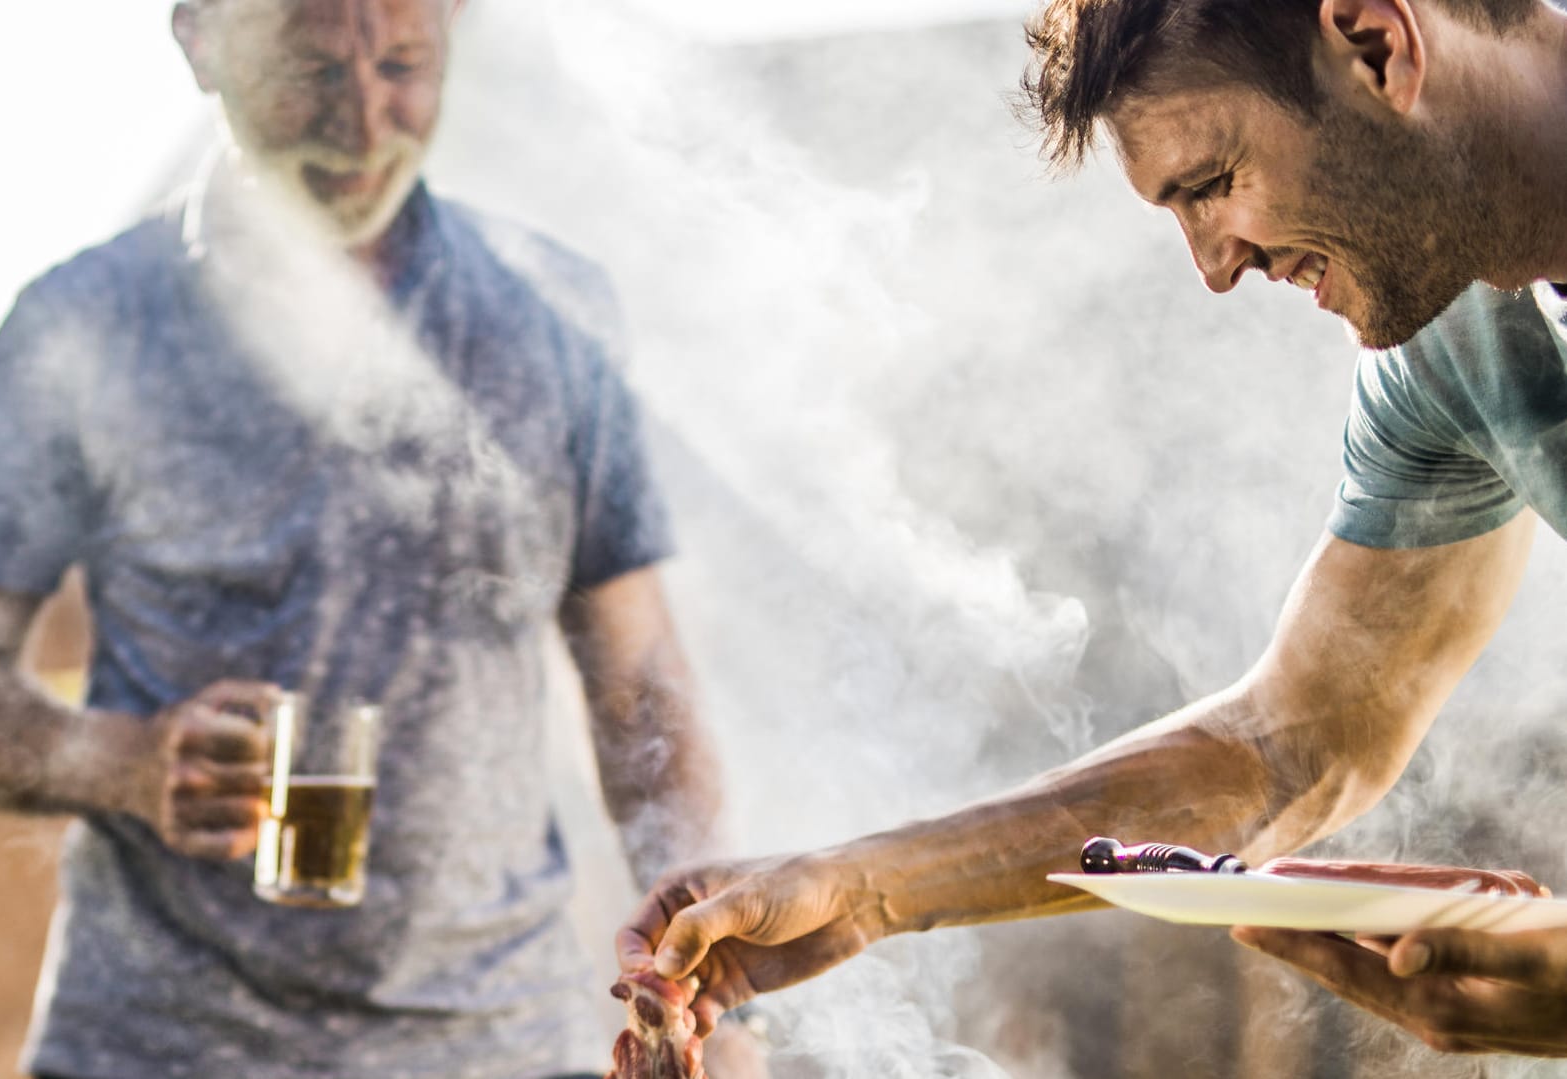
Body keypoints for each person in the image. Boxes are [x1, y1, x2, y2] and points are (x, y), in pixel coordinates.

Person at [617, 0, 1567, 1057]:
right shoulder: (1452, 347)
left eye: (1212, 183)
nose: (1214, 266)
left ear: (1376, 45)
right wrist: (860, 886)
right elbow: (1293, 744)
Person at [0, 0, 765, 1076]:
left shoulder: (553, 306)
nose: (364, 121)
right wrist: (120, 760)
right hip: (154, 1046)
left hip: (500, 1044)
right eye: (312, 68)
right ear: (199, 41)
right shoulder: (75, 323)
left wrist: (722, 1004)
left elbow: (639, 681)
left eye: (403, 64)